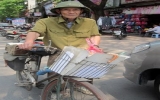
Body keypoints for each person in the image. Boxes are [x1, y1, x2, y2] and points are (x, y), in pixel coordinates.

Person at [18, 1, 101, 82]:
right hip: (58, 51)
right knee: (55, 78)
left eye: (75, 9)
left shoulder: (90, 22)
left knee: (87, 70)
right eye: (66, 9)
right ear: (59, 11)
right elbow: (35, 32)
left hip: (82, 51)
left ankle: (83, 85)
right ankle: (54, 90)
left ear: (81, 11)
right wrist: (29, 41)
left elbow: (95, 35)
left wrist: (95, 47)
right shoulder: (45, 22)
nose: (71, 12)